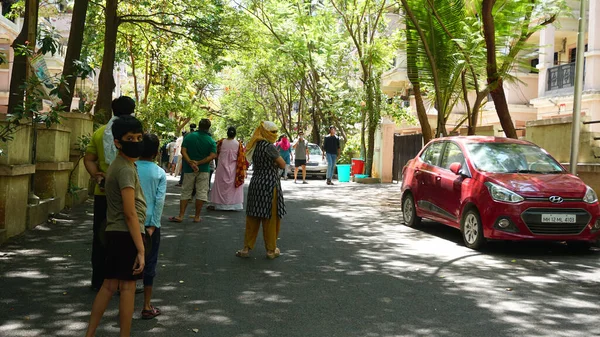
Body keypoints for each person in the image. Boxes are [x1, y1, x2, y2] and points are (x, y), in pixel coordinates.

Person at [84, 115, 147, 337]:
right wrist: (140, 249)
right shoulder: (125, 169)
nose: (136, 141)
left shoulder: (118, 165)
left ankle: (90, 333)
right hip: (126, 234)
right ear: (118, 142)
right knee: (127, 288)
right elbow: (130, 213)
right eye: (130, 138)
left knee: (109, 285)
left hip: (115, 232)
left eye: (139, 137)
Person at [83, 96, 135, 292]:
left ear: (113, 110)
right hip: (126, 192)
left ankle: (99, 281)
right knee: (126, 235)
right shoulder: (134, 134)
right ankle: (124, 281)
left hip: (103, 193)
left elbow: (88, 159)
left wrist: (96, 175)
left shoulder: (99, 133)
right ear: (132, 111)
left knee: (101, 236)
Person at [235, 121, 286, 259]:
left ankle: (246, 248)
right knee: (270, 217)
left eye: (276, 132)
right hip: (269, 185)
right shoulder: (270, 147)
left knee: (252, 216)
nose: (275, 135)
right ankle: (271, 250)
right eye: (273, 132)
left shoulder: (255, 145)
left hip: (256, 183)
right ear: (266, 132)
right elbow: (282, 164)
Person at [137, 133, 167, 320]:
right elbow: (159, 201)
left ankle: (123, 300)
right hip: (149, 225)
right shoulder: (159, 173)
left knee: (126, 263)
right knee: (149, 264)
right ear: (156, 153)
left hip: (128, 223)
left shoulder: (129, 168)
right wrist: (154, 225)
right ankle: (146, 306)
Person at [169, 119, 217, 223]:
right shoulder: (211, 141)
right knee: (201, 192)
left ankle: (181, 215)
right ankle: (197, 217)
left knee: (186, 190)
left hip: (188, 169)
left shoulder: (189, 137)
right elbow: (212, 155)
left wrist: (190, 162)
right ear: (208, 128)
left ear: (199, 126)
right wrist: (199, 163)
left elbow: (183, 151)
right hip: (203, 169)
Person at [209, 126, 247, 211]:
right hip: (234, 169)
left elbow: (216, 154)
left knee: (220, 185)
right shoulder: (238, 144)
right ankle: (233, 205)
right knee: (233, 187)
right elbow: (241, 158)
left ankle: (218, 204)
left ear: (227, 133)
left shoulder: (221, 142)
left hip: (221, 167)